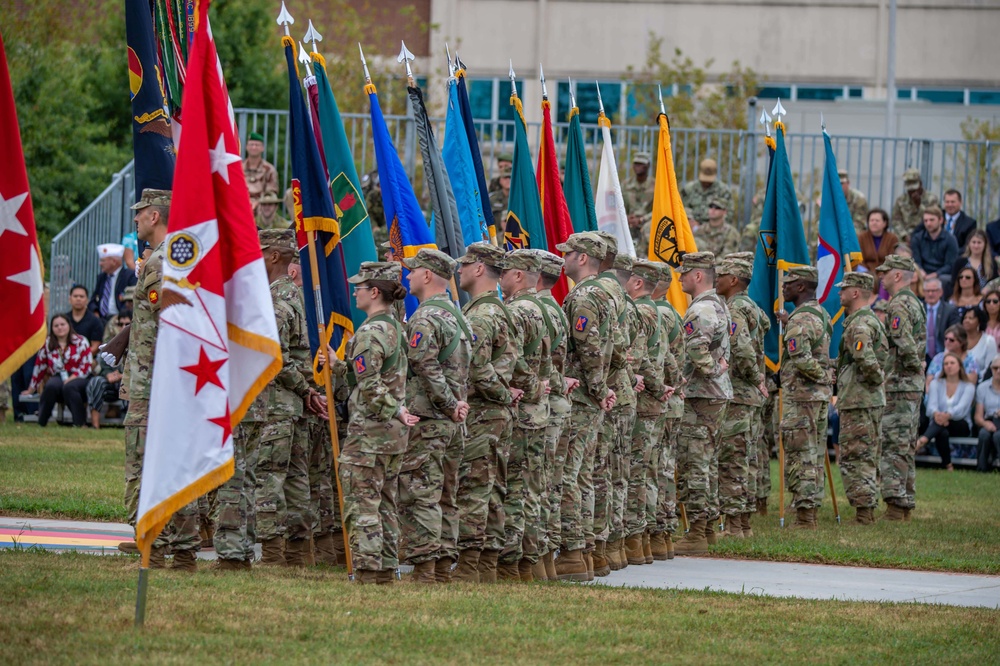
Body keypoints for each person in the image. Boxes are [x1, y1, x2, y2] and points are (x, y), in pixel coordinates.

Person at [118, 189, 200, 568]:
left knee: (146, 462)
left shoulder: (161, 260)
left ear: (154, 216)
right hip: (162, 380)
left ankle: (155, 543)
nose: (135, 220)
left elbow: (166, 323)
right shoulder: (171, 256)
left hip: (155, 384)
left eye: (140, 214)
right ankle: (175, 547)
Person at [335, 261, 418, 584]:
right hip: (392, 434)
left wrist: (393, 410)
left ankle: (369, 569)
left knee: (363, 502)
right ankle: (385, 567)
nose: (354, 292)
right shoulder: (397, 327)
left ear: (374, 292)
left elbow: (369, 383)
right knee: (384, 502)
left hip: (371, 431)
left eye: (359, 288)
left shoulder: (370, 332)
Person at [398, 248, 471, 584]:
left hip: (430, 419)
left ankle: (426, 568)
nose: (408, 276)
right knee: (446, 494)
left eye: (413, 271)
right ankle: (442, 565)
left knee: (422, 493)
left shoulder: (425, 318)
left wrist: (447, 404)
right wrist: (456, 406)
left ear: (428, 275)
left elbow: (424, 365)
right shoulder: (458, 316)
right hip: (454, 421)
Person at [255, 228, 322, 567]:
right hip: (290, 405)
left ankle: (273, 553)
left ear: (274, 256)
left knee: (270, 475)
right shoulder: (294, 295)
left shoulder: (277, 299)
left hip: (277, 404)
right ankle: (298, 553)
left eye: (260, 249)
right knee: (296, 479)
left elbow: (274, 355)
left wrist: (303, 389)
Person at [554, 232, 615, 582]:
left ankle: (575, 553)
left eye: (568, 254)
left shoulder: (586, 296)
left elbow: (589, 348)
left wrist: (597, 388)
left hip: (581, 396)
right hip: (591, 394)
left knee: (571, 476)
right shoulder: (604, 293)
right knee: (583, 474)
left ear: (581, 258)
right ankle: (588, 551)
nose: (563, 259)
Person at [454, 243, 517, 583]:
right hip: (496, 413)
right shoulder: (500, 309)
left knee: (475, 489)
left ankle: (468, 567)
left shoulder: (481, 314)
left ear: (479, 269)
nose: (459, 269)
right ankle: (487, 566)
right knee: (491, 490)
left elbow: (477, 369)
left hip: (483, 411)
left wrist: (502, 394)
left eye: (465, 264)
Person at [673, 251, 732, 553]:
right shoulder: (717, 305)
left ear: (697, 276)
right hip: (714, 394)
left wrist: (709, 371)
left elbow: (697, 349)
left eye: (684, 273)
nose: (680, 278)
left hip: (701, 394)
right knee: (706, 463)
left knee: (694, 462)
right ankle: (707, 527)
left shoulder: (701, 310)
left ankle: (696, 532)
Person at [499, 249, 552, 581]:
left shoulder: (517, 310)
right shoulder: (542, 307)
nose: (499, 275)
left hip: (522, 409)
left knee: (516, 489)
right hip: (539, 411)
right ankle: (534, 562)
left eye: (505, 270)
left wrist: (530, 387)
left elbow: (512, 359)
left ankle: (515, 563)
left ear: (519, 275)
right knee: (533, 488)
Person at [775, 265, 832, 530]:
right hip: (818, 398)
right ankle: (809, 508)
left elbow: (802, 359)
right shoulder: (821, 314)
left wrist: (822, 376)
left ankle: (805, 516)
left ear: (800, 288)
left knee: (801, 455)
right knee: (815, 452)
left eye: (788, 284)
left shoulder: (799, 320)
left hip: (802, 396)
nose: (783, 288)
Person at [715, 255, 766, 538]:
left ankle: (734, 526)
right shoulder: (752, 306)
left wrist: (754, 376)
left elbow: (743, 350)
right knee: (746, 459)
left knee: (732, 460)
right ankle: (743, 524)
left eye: (721, 274)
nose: (716, 278)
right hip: (748, 396)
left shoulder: (734, 308)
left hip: (738, 393)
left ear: (734, 280)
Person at [622, 260, 669, 564]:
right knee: (649, 471)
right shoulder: (659, 312)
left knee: (636, 472)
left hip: (643, 400)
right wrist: (665, 385)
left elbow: (638, 358)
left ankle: (636, 540)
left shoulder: (640, 311)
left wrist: (654, 385)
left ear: (638, 283)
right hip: (654, 398)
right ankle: (650, 541)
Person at [591, 234, 632, 575]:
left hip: (606, 391)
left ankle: (598, 549)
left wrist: (598, 385)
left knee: (599, 472)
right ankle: (613, 547)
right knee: (614, 472)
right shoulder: (619, 293)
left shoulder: (600, 293)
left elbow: (612, 347)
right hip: (619, 389)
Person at [877, 255, 927, 521]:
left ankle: (896, 506)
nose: (882, 277)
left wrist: (913, 364)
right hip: (910, 384)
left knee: (895, 444)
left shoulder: (897, 303)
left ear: (897, 275)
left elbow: (902, 340)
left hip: (899, 383)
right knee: (905, 444)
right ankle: (905, 502)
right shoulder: (913, 302)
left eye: (885, 272)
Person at [836, 272, 887, 524]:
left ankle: (864, 513)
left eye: (844, 289)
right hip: (862, 398)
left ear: (855, 293)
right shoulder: (864, 320)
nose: (839, 293)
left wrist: (876, 380)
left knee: (858, 455)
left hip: (860, 399)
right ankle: (864, 509)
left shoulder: (859, 324)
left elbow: (865, 359)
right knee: (862, 453)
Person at [532, 249, 571, 580]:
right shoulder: (555, 309)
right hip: (557, 400)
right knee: (551, 482)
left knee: (538, 483)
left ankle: (538, 556)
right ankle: (546, 558)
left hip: (543, 401)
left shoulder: (539, 310)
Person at [649, 263, 684, 558]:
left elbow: (663, 359)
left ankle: (658, 532)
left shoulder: (657, 312)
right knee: (664, 466)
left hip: (660, 396)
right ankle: (664, 534)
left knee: (656, 468)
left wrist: (666, 386)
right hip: (670, 398)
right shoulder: (670, 311)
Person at [21, 313, 92, 427]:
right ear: (52, 328)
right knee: (50, 386)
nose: (60, 328)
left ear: (68, 325)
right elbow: (39, 367)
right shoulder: (48, 343)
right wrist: (31, 389)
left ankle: (80, 423)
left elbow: (86, 367)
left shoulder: (81, 341)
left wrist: (71, 379)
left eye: (62, 324)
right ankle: (42, 422)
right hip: (59, 376)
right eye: (56, 325)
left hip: (79, 377)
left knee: (70, 387)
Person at [917, 352, 974, 471]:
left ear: (960, 366)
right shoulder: (935, 383)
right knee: (941, 431)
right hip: (940, 423)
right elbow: (931, 407)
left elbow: (962, 409)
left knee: (939, 425)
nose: (949, 366)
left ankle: (922, 441)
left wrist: (947, 415)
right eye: (946, 363)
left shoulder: (968, 386)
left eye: (952, 363)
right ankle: (948, 465)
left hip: (960, 423)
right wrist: (937, 414)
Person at [86, 310, 130, 429]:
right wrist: (107, 374)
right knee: (96, 382)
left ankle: (129, 426)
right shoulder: (111, 342)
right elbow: (103, 363)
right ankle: (95, 426)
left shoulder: (140, 344)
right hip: (111, 382)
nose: (123, 327)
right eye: (120, 324)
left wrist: (123, 375)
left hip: (128, 381)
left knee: (129, 384)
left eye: (127, 324)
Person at [911, 206, 959, 296]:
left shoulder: (950, 239)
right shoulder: (917, 238)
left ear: (940, 220)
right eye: (925, 221)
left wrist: (935, 274)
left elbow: (950, 264)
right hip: (922, 273)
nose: (928, 223)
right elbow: (916, 260)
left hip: (941, 274)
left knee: (945, 280)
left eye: (932, 220)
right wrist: (921, 271)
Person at [90, 243, 137, 322]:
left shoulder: (130, 276)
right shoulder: (102, 277)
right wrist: (95, 312)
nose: (100, 264)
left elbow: (131, 300)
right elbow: (93, 299)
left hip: (121, 320)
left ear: (114, 261)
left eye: (103, 261)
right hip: (101, 319)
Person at [681, 159, 733, 228]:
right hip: (691, 229)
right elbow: (681, 209)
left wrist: (712, 224)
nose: (706, 182)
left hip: (715, 231)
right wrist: (691, 220)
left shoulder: (723, 191)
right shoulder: (689, 189)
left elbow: (729, 214)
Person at [891, 168, 939, 241]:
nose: (912, 192)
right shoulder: (901, 200)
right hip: (906, 238)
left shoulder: (932, 199)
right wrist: (904, 236)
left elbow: (934, 219)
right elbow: (896, 221)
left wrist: (919, 205)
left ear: (920, 184)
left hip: (926, 237)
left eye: (914, 189)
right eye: (910, 190)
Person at [926, 324, 978, 389]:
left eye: (951, 340)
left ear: (961, 342)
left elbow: (971, 382)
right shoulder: (938, 358)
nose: (947, 342)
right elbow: (928, 383)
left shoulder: (971, 359)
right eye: (946, 339)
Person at [622, 152, 655, 250]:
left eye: (641, 164)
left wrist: (642, 219)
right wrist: (625, 217)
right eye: (636, 164)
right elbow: (618, 205)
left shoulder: (656, 186)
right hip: (628, 223)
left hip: (648, 223)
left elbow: (660, 209)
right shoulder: (626, 185)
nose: (638, 167)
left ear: (648, 166)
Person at [858, 209, 898, 285]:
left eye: (877, 220)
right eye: (871, 220)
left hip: (885, 275)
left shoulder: (892, 238)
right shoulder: (861, 237)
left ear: (885, 223)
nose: (874, 223)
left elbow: (892, 260)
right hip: (865, 275)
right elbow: (858, 259)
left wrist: (882, 274)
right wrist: (867, 273)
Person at [974, 359, 1000, 472]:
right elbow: (978, 416)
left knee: (998, 436)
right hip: (990, 419)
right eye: (995, 368)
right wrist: (985, 423)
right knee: (984, 434)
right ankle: (982, 468)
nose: (998, 371)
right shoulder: (982, 387)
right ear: (991, 369)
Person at [923, 278, 959, 359]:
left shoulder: (950, 310)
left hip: (944, 354)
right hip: (922, 355)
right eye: (928, 291)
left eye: (934, 291)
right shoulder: (917, 309)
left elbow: (955, 333)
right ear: (923, 292)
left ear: (940, 292)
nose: (930, 294)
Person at [242, 131, 279, 209]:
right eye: (251, 144)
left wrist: (257, 203)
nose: (254, 147)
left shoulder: (269, 169)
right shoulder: (239, 168)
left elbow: (271, 193)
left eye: (257, 145)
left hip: (262, 205)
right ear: (246, 147)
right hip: (242, 202)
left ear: (262, 148)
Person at [65, 284, 105, 353]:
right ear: (70, 299)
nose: (78, 299)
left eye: (81, 296)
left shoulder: (95, 321)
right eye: (75, 296)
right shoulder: (64, 320)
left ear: (87, 300)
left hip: (88, 359)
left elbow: (96, 346)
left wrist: (80, 356)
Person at [962, 306, 996, 377]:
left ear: (979, 321)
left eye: (971, 318)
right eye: (965, 318)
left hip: (981, 381)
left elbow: (990, 368)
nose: (966, 320)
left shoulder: (989, 341)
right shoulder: (955, 339)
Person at [838, 170, 869, 235]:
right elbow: (820, 222)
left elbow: (859, 224)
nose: (838, 186)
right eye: (835, 183)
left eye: (841, 184)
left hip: (851, 235)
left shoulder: (858, 198)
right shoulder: (823, 200)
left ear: (848, 183)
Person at [490, 164, 511, 231]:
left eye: (510, 177)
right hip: (496, 238)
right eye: (505, 178)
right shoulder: (492, 199)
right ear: (500, 181)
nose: (508, 180)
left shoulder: (520, 200)